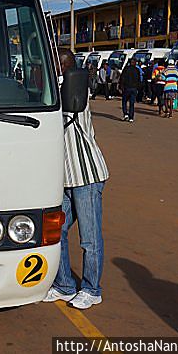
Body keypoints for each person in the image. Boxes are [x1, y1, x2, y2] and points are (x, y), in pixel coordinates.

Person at [43, 48, 109, 310]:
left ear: (68, 70)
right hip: (65, 178)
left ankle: (93, 289)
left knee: (90, 238)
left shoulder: (76, 92)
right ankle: (64, 285)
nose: (54, 70)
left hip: (86, 175)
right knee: (56, 231)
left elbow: (61, 106)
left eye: (57, 66)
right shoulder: (55, 90)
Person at [120, 58, 142, 122]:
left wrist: (121, 86)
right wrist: (138, 88)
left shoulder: (126, 69)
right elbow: (139, 80)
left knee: (124, 101)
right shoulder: (137, 70)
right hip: (134, 88)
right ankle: (131, 117)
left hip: (127, 88)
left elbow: (122, 78)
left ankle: (125, 114)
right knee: (132, 103)